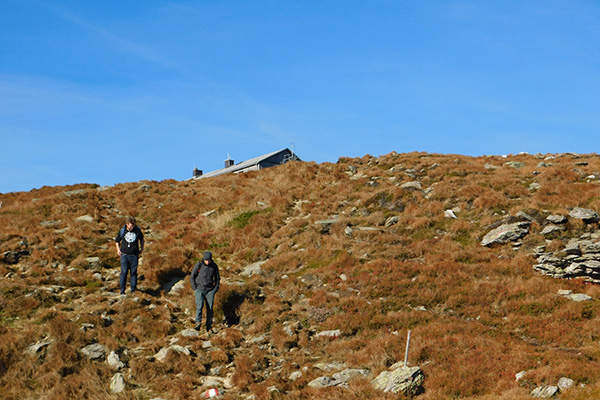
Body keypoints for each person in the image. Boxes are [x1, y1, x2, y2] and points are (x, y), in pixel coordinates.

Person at [191, 251, 220, 332]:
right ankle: (198, 323)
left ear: (211, 259)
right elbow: (192, 276)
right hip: (199, 289)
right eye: (206, 260)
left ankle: (209, 326)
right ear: (203, 259)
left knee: (210, 308)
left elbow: (217, 279)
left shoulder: (214, 266)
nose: (207, 262)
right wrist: (195, 288)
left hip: (210, 291)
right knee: (199, 305)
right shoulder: (199, 265)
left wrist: (215, 289)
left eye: (209, 260)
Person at [115, 216, 144, 295]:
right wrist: (118, 250)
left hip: (134, 255)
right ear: (127, 224)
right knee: (124, 272)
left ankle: (133, 290)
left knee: (133, 272)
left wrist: (142, 248)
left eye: (133, 226)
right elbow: (117, 240)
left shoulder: (137, 231)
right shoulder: (122, 231)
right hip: (124, 255)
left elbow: (141, 239)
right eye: (130, 226)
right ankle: (122, 291)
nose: (132, 227)